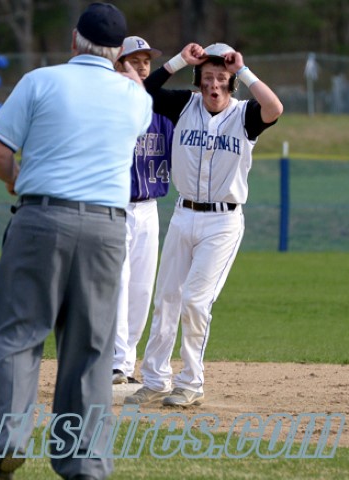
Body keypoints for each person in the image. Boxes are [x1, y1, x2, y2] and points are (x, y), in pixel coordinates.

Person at [0, 3, 152, 480]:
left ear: (74, 40)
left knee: (17, 334)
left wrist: (14, 178)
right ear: (119, 52)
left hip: (42, 217)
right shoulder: (135, 99)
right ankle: (85, 462)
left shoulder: (40, 81)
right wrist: (128, 75)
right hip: (107, 228)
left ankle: (7, 441)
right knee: (91, 349)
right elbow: (137, 98)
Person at [125, 42, 283, 407]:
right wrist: (180, 61)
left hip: (223, 221)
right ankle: (155, 379)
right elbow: (140, 92)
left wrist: (242, 70)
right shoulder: (184, 105)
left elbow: (275, 108)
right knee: (167, 298)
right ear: (199, 80)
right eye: (208, 77)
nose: (214, 84)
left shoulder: (245, 114)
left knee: (195, 301)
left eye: (222, 78)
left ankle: (191, 382)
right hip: (184, 215)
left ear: (232, 83)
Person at [111, 36, 174, 386]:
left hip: (149, 209)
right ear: (117, 65)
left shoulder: (162, 112)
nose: (142, 66)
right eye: (133, 60)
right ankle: (114, 363)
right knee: (118, 285)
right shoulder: (109, 106)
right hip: (115, 207)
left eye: (146, 61)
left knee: (141, 290)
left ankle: (126, 363)